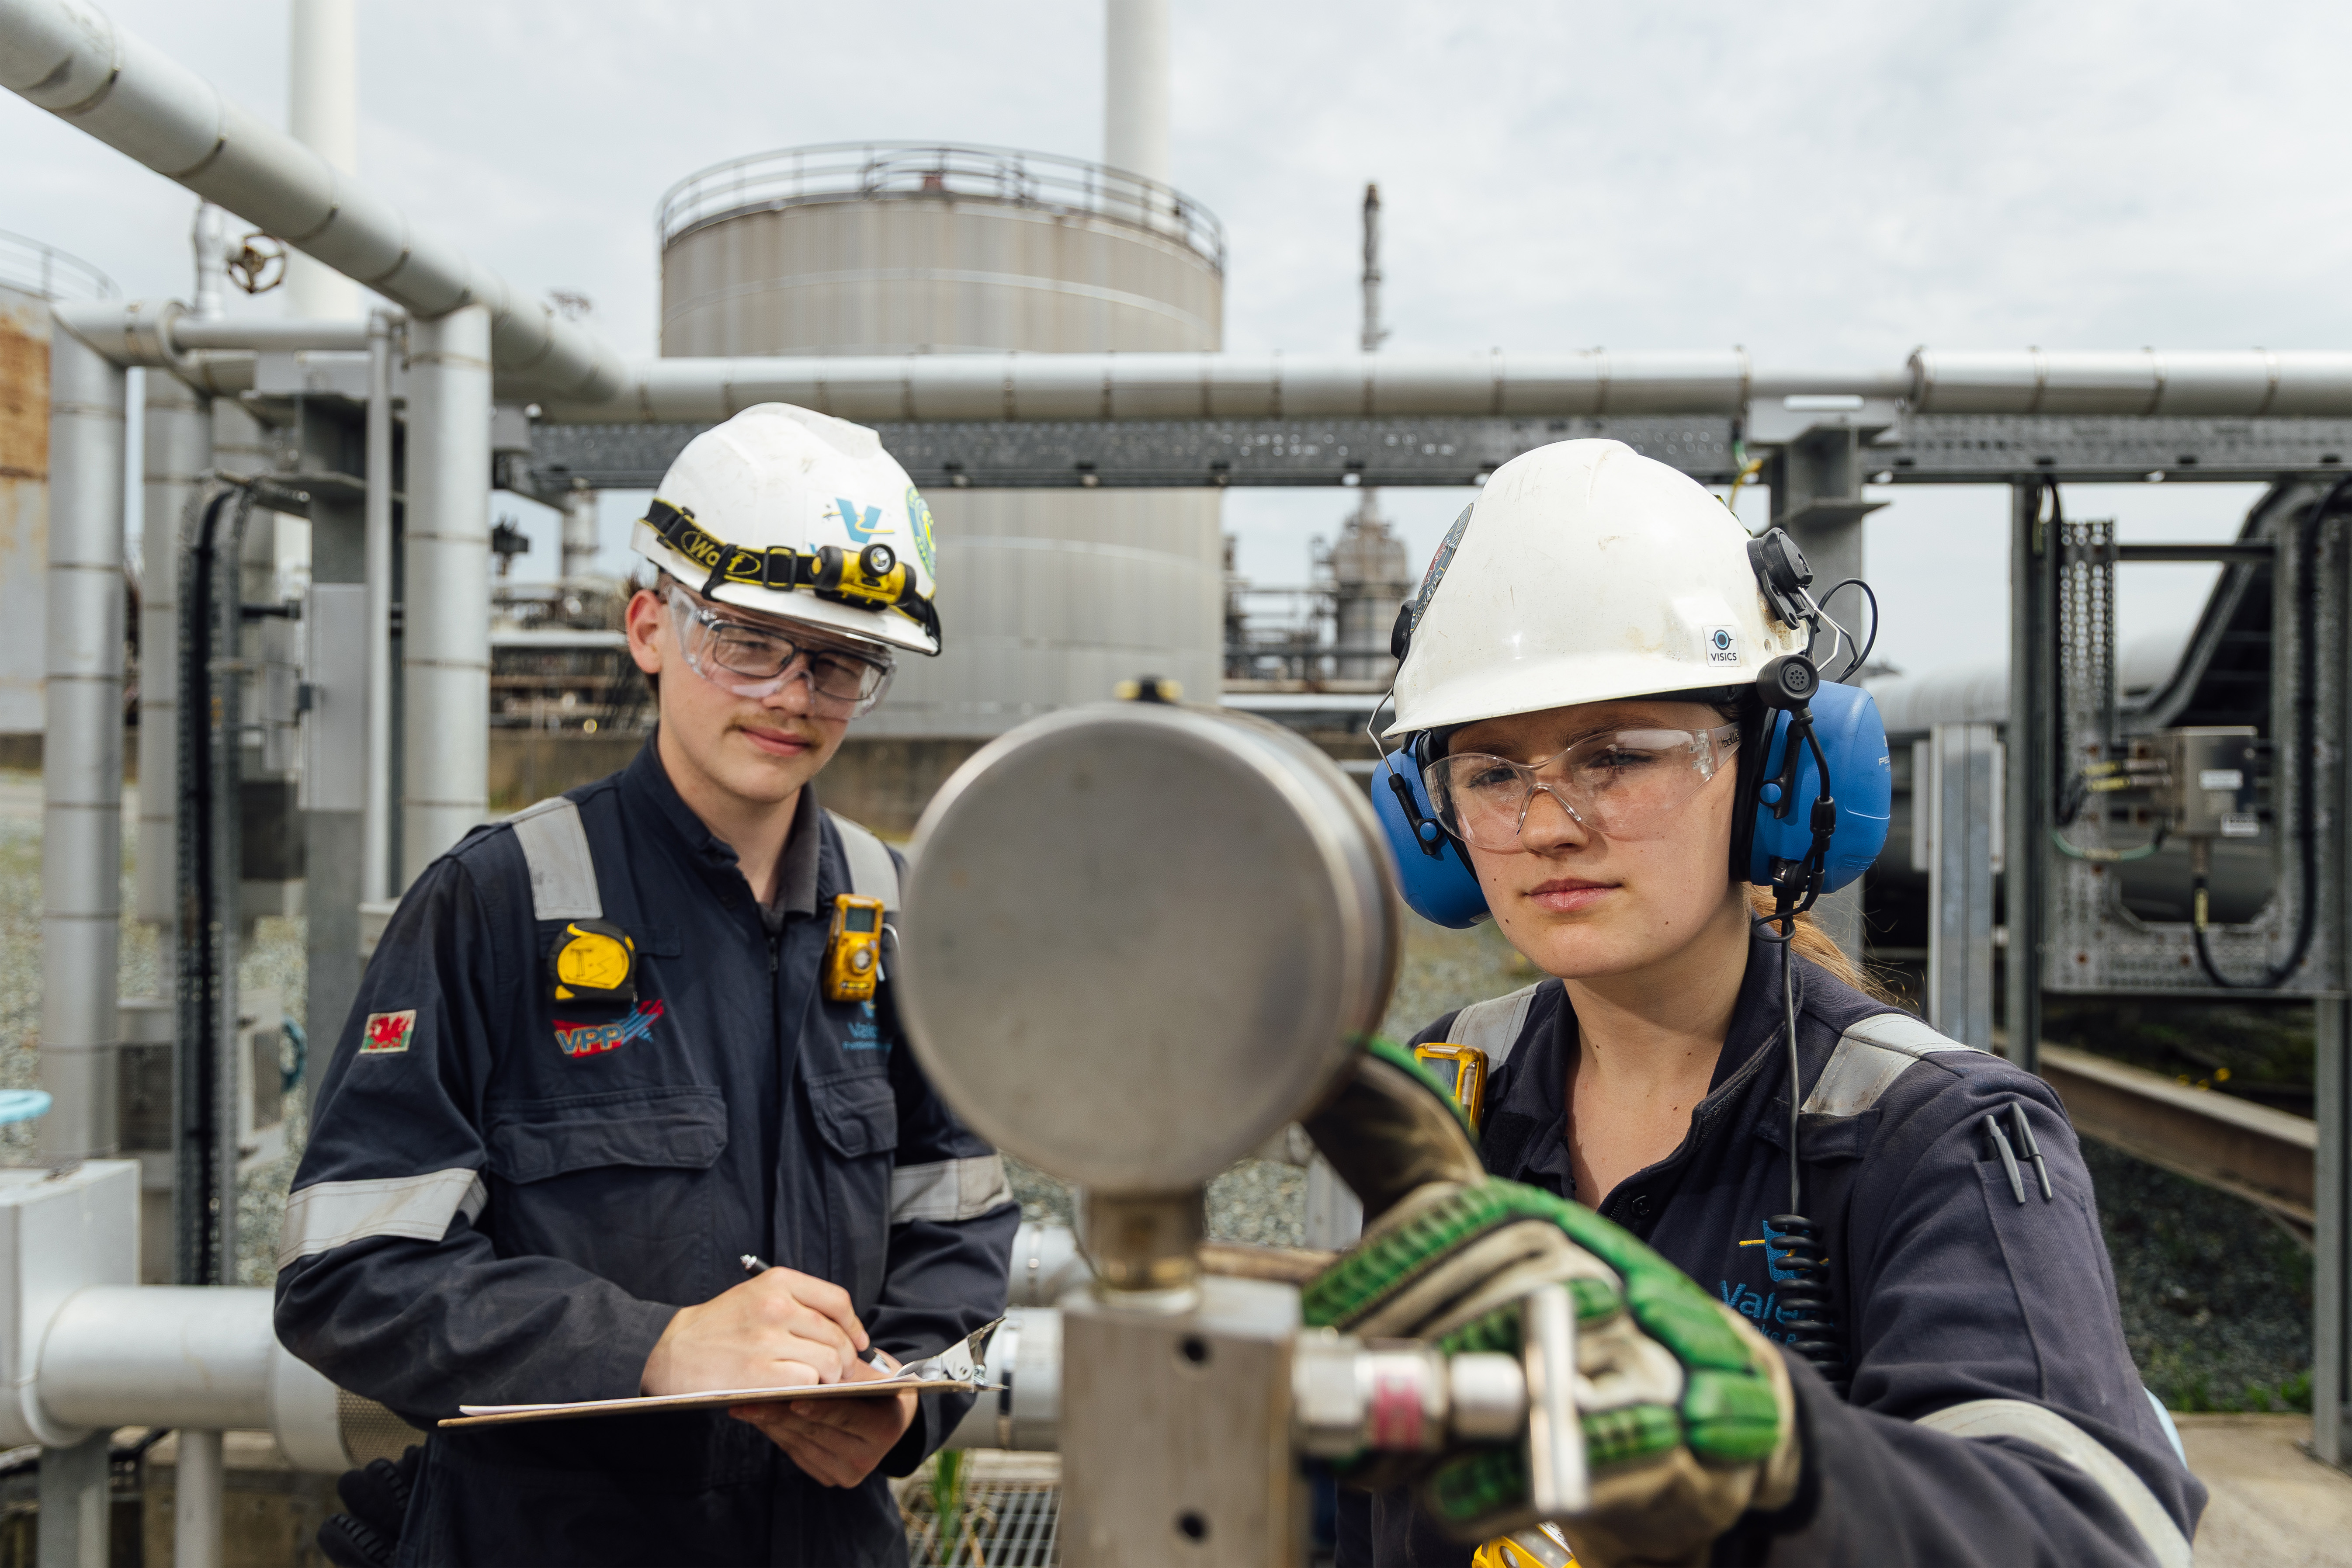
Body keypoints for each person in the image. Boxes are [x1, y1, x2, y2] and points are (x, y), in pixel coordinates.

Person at [1315, 439, 2202, 1567]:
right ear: (1431, 817)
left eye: (1616, 757)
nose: (1544, 826)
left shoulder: (1938, 1138)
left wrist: (1783, 1460)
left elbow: (2099, 1535)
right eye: (1492, 774)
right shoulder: (1451, 1090)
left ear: (1776, 776)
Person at [274, 404, 1018, 1567]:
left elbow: (958, 1212)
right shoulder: (498, 900)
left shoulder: (891, 911)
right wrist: (653, 1348)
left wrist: (909, 1392)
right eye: (748, 642)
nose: (791, 694)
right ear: (649, 628)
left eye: (838, 662)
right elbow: (349, 1274)